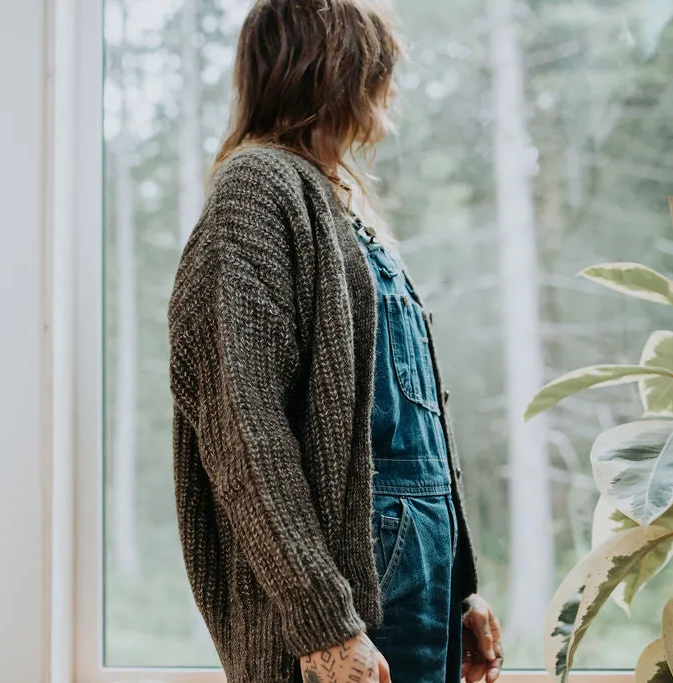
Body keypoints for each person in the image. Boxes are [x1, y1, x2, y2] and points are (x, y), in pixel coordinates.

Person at [168, 1, 504, 681]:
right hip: (348, 596)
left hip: (414, 580)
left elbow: (408, 431)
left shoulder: (342, 201)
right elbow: (244, 429)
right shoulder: (255, 190)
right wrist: (323, 622)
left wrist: (458, 588)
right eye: (377, 66)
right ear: (333, 68)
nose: (390, 86)